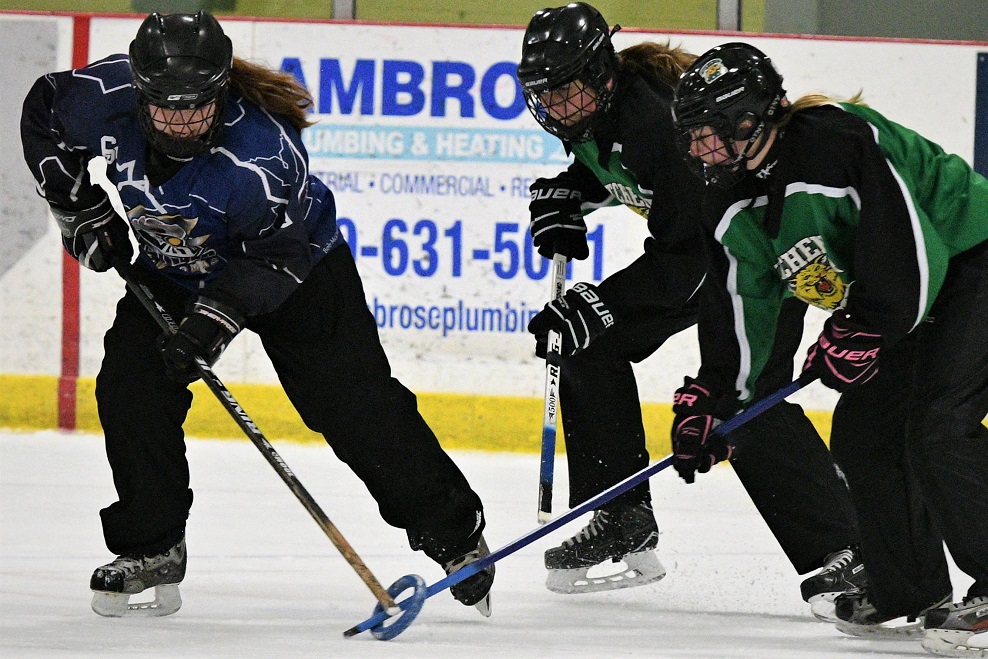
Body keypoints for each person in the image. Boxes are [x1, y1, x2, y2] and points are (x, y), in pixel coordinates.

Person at [20, 12, 494, 618]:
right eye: (166, 107)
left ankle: (454, 533)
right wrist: (79, 209)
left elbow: (280, 253)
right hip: (172, 266)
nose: (182, 121)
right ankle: (152, 545)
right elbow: (43, 112)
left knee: (351, 404)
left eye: (197, 106)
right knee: (130, 384)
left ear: (221, 91)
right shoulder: (98, 99)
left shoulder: (261, 155)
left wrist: (218, 318)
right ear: (140, 91)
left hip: (298, 270)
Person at [516, 2, 866, 615]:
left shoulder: (653, 123)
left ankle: (849, 549)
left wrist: (606, 301)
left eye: (569, 90)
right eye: (547, 94)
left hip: (753, 258)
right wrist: (572, 194)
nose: (558, 107)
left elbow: (689, 259)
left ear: (602, 74)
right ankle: (620, 517)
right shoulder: (600, 117)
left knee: (744, 393)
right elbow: (624, 174)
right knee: (582, 338)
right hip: (704, 252)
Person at [670, 41, 988, 654]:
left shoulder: (833, 142)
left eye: (707, 133)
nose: (696, 150)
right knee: (865, 432)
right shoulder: (729, 198)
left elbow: (911, 242)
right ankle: (909, 586)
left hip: (972, 260)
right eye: (691, 135)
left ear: (749, 120)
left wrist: (864, 326)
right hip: (907, 295)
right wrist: (717, 397)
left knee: (939, 428)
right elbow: (742, 309)